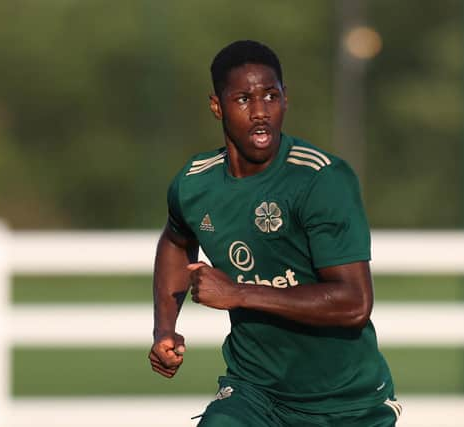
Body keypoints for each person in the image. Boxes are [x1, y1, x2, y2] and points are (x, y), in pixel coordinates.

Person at [148, 40, 401, 426]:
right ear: (217, 106)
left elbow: (354, 302)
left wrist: (238, 294)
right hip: (254, 393)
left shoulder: (320, 179)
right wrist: (166, 328)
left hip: (345, 403)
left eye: (271, 95)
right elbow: (176, 240)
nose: (261, 111)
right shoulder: (194, 183)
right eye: (244, 99)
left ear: (286, 98)